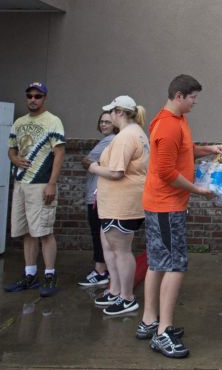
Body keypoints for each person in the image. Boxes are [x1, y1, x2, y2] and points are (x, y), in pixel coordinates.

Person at [136, 74, 222, 359]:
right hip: (166, 206)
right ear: (179, 96)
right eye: (193, 97)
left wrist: (208, 149)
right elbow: (166, 172)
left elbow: (184, 153)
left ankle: (150, 320)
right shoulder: (167, 126)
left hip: (162, 205)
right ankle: (163, 332)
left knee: (158, 262)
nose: (195, 102)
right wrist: (198, 190)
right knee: (174, 265)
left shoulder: (177, 122)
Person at [88, 95, 150, 316]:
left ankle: (127, 297)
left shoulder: (126, 136)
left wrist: (94, 168)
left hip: (121, 204)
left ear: (119, 113)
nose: (108, 117)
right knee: (111, 247)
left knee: (121, 251)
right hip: (117, 203)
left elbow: (116, 172)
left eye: (111, 112)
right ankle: (115, 290)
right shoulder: (135, 133)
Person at [4, 81, 67, 298]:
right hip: (21, 183)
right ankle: (30, 274)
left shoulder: (53, 121)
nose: (33, 99)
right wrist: (14, 159)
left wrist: (51, 183)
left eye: (37, 96)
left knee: (44, 231)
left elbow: (59, 153)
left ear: (44, 98)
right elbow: (11, 148)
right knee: (26, 232)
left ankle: (50, 274)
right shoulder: (19, 122)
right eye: (29, 95)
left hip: (41, 182)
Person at [78, 111, 117, 288]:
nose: (103, 125)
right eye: (101, 121)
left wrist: (90, 162)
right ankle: (106, 269)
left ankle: (100, 271)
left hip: (97, 195)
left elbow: (87, 161)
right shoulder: (108, 141)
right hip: (101, 194)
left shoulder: (110, 140)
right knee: (104, 235)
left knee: (98, 233)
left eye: (108, 122)